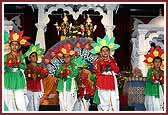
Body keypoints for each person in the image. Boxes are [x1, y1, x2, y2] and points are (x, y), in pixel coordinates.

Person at [90, 35, 120, 111]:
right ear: (100, 52)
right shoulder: (98, 61)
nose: (105, 52)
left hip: (111, 81)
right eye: (103, 51)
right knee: (104, 100)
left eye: (107, 50)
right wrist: (101, 63)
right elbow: (97, 72)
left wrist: (110, 62)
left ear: (109, 52)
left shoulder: (112, 60)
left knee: (112, 99)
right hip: (102, 82)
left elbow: (116, 70)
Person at [4, 30, 30, 111]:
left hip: (18, 78)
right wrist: (8, 65)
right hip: (8, 77)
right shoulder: (6, 56)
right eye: (12, 44)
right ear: (10, 45)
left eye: (16, 45)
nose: (14, 46)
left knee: (20, 99)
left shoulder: (20, 56)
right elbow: (3, 67)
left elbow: (24, 67)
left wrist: (18, 64)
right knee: (9, 99)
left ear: (19, 46)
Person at [24, 44, 48, 111]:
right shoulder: (27, 66)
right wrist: (30, 77)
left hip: (37, 88)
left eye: (36, 56)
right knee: (29, 105)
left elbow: (45, 74)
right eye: (33, 56)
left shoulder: (40, 66)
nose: (34, 57)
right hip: (29, 88)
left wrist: (39, 76)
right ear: (29, 58)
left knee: (36, 105)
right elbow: (24, 76)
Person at [55, 44, 79, 111]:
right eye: (64, 57)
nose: (66, 58)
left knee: (70, 102)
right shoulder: (61, 66)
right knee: (62, 101)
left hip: (70, 85)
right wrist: (62, 73)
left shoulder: (74, 65)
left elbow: (75, 73)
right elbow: (57, 74)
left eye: (68, 57)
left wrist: (67, 73)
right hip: (62, 85)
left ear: (71, 57)